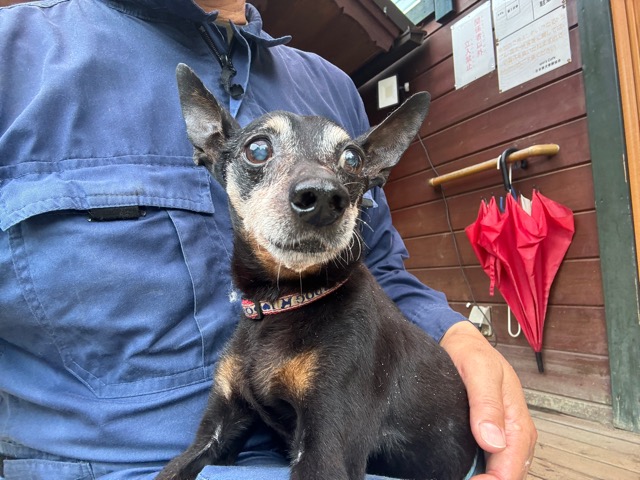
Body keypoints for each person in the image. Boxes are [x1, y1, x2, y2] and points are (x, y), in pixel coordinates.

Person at [0, 0, 536, 479]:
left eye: (348, 165)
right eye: (259, 151)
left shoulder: (333, 87)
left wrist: (459, 335)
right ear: (211, 145)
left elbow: (381, 267)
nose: (323, 191)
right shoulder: (15, 54)